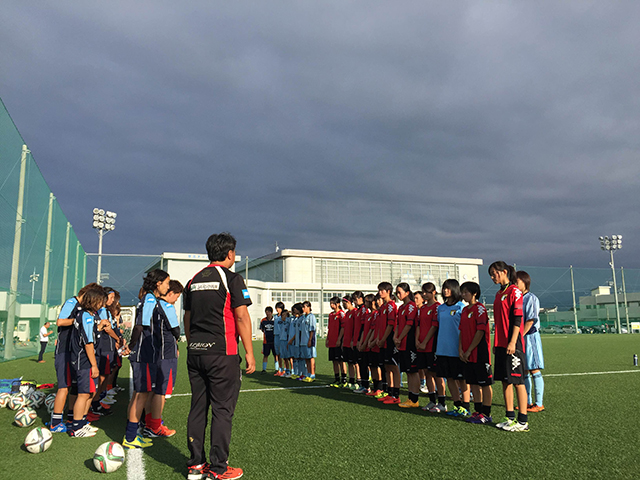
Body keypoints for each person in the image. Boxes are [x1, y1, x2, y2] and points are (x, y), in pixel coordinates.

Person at [184, 233, 255, 480]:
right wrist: (249, 352)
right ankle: (218, 468)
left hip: (196, 353)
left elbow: (187, 318)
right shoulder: (232, 278)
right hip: (222, 354)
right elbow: (241, 316)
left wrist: (193, 344)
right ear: (230, 253)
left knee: (197, 407)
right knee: (222, 410)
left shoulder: (193, 281)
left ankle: (195, 465)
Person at [124, 269, 171, 449]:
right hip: (143, 354)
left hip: (145, 353)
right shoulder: (150, 299)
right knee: (141, 395)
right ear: (158, 283)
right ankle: (130, 437)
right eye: (167, 283)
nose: (168, 286)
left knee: (139, 394)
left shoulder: (149, 299)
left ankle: (132, 433)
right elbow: (140, 326)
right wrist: (132, 345)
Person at [50, 283, 100, 433]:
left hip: (74, 352)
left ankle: (72, 418)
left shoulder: (84, 311)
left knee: (76, 386)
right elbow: (60, 321)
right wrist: (78, 321)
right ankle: (55, 422)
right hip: (64, 351)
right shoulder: (72, 302)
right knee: (64, 386)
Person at [490, 261, 529, 432]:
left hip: (513, 343)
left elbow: (517, 319)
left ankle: (523, 420)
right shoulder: (499, 294)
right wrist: (496, 343)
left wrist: (513, 342)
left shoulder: (515, 291)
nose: (493, 277)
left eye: (494, 273)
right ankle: (510, 417)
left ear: (504, 272)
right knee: (505, 381)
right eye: (491, 275)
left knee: (517, 381)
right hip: (500, 343)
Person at [143, 279, 183, 438]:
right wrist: (177, 343)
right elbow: (176, 329)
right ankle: (155, 426)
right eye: (177, 297)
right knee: (161, 391)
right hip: (166, 353)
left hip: (154, 352)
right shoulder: (166, 306)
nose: (176, 301)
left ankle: (148, 422)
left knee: (153, 390)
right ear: (171, 293)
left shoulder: (152, 304)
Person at [68, 287, 108, 437]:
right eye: (100, 301)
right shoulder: (85, 316)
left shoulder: (89, 315)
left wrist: (99, 327)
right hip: (84, 360)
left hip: (87, 359)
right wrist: (94, 365)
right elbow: (88, 343)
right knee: (84, 394)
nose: (102, 304)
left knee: (90, 392)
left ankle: (82, 422)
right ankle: (76, 427)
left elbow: (91, 333)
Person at [432, 279, 469, 416]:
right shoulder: (440, 308)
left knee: (462, 379)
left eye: (448, 288)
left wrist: (462, 348)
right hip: (443, 349)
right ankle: (457, 405)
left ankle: (466, 406)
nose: (445, 290)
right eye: (444, 288)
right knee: (449, 378)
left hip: (456, 350)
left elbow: (464, 329)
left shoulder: (461, 307)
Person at [459, 281, 493, 425]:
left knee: (485, 383)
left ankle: (486, 413)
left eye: (466, 292)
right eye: (462, 292)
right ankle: (478, 411)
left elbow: (480, 331)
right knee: (473, 383)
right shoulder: (464, 310)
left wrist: (469, 350)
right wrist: (461, 349)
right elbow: (461, 331)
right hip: (467, 353)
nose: (463, 295)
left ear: (474, 293)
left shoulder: (480, 309)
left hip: (479, 352)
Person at [517, 270, 545, 412]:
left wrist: (520, 335)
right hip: (521, 337)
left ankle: (539, 403)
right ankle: (527, 401)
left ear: (525, 282)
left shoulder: (531, 298)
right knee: (525, 370)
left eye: (517, 282)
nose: (515, 285)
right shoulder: (518, 299)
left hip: (530, 337)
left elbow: (530, 320)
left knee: (534, 369)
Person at [415, 285, 442, 412]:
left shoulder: (437, 307)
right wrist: (417, 340)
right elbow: (419, 325)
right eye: (423, 292)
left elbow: (434, 326)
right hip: (421, 346)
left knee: (436, 374)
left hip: (432, 346)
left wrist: (425, 342)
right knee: (427, 373)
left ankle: (442, 402)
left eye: (427, 292)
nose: (425, 294)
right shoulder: (423, 308)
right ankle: (432, 400)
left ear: (434, 292)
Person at [395, 283, 419, 408]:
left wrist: (399, 338)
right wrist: (395, 337)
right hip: (402, 344)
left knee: (413, 371)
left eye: (400, 292)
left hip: (410, 343)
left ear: (407, 292)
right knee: (408, 372)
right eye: (397, 293)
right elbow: (399, 324)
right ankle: (410, 398)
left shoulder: (411, 306)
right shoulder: (401, 307)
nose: (398, 295)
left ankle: (414, 399)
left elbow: (409, 325)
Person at [376, 282, 399, 404]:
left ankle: (396, 395)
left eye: (382, 290)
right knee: (387, 367)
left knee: (393, 367)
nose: (380, 292)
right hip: (382, 341)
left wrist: (384, 339)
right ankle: (390, 393)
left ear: (388, 291)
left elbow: (390, 324)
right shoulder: (383, 307)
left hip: (389, 340)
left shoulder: (391, 306)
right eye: (379, 290)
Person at [327, 296, 346, 387]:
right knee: (334, 361)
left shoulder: (341, 314)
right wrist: (328, 339)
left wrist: (339, 339)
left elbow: (343, 327)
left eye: (333, 303)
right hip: (331, 341)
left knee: (341, 361)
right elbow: (329, 328)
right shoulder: (331, 315)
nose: (331, 305)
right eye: (330, 303)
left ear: (338, 304)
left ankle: (344, 379)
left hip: (338, 341)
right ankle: (336, 378)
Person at [341, 295, 358, 389]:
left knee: (356, 363)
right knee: (349, 363)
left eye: (344, 303)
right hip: (346, 342)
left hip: (352, 342)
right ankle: (351, 381)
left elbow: (356, 328)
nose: (343, 305)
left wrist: (353, 340)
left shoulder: (355, 312)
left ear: (349, 302)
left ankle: (358, 381)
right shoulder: (347, 313)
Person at [300, 301, 317, 382]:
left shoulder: (311, 317)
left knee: (311, 357)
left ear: (308, 307)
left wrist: (310, 340)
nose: (303, 308)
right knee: (306, 358)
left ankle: (312, 374)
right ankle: (308, 373)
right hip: (303, 341)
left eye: (304, 307)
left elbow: (312, 329)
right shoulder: (303, 317)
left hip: (309, 340)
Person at [259, 307, 276, 374]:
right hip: (266, 341)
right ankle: (264, 369)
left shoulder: (275, 320)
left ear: (271, 312)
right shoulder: (263, 320)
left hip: (274, 341)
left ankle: (277, 369)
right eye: (266, 312)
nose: (267, 314)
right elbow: (262, 329)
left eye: (268, 312)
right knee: (265, 355)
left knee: (276, 355)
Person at [273, 302, 286, 376]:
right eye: (276, 308)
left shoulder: (283, 317)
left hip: (282, 336)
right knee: (277, 354)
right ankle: (279, 369)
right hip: (276, 336)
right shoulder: (275, 317)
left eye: (278, 308)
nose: (277, 309)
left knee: (282, 354)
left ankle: (285, 369)